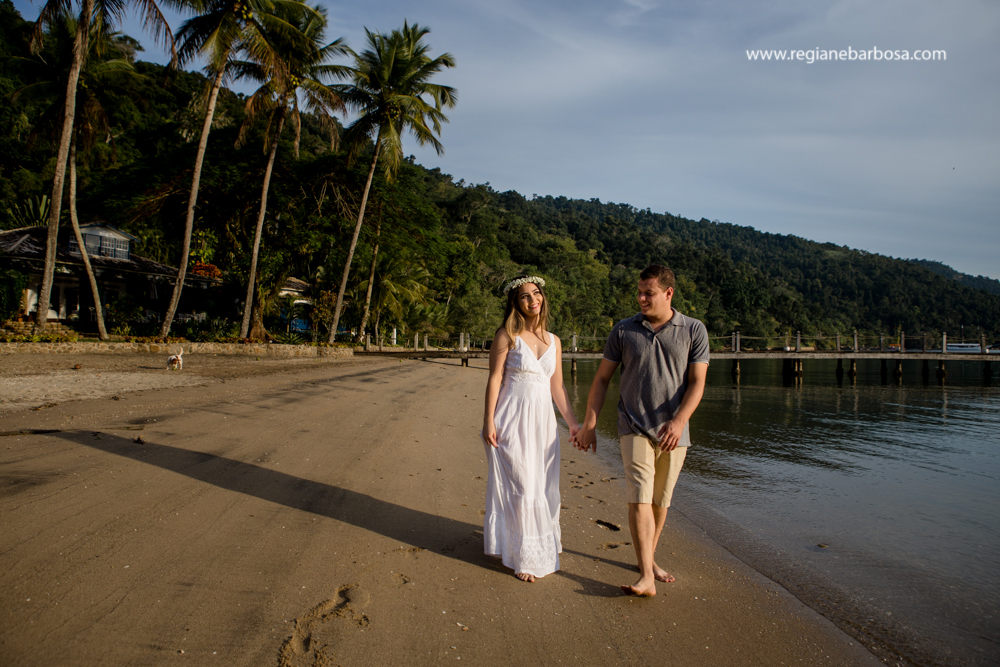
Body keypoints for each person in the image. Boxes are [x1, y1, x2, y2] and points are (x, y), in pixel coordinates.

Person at [573, 265, 709, 596]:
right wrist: (590, 424)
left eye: (648, 292)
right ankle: (647, 575)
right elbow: (602, 379)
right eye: (639, 292)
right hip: (632, 425)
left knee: (660, 502)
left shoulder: (693, 330)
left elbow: (697, 384)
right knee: (639, 497)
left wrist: (678, 422)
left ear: (668, 293)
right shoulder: (624, 330)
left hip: (675, 433)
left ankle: (646, 560)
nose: (641, 298)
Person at [482, 275, 580, 582]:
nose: (532, 299)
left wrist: (573, 422)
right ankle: (523, 556)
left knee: (539, 484)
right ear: (515, 303)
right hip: (511, 418)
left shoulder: (555, 341)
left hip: (543, 424)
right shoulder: (506, 335)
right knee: (522, 485)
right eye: (524, 296)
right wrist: (488, 420)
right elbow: (495, 378)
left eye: (536, 293)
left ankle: (534, 544)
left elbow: (558, 386)